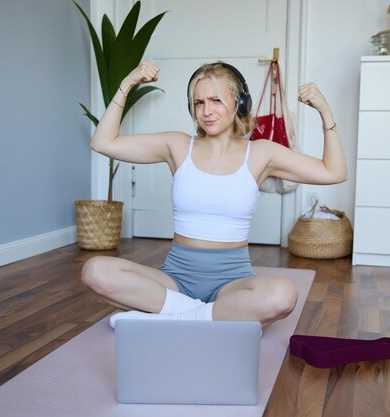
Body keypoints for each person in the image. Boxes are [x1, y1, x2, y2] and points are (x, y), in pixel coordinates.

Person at [82, 61, 347, 329]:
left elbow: (333, 172)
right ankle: (202, 314)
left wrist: (325, 112)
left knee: (283, 295)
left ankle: (179, 316)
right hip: (175, 281)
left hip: (231, 284)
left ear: (239, 103)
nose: (206, 111)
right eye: (198, 103)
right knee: (95, 270)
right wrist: (127, 83)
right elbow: (102, 142)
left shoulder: (261, 153)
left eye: (216, 100)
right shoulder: (177, 145)